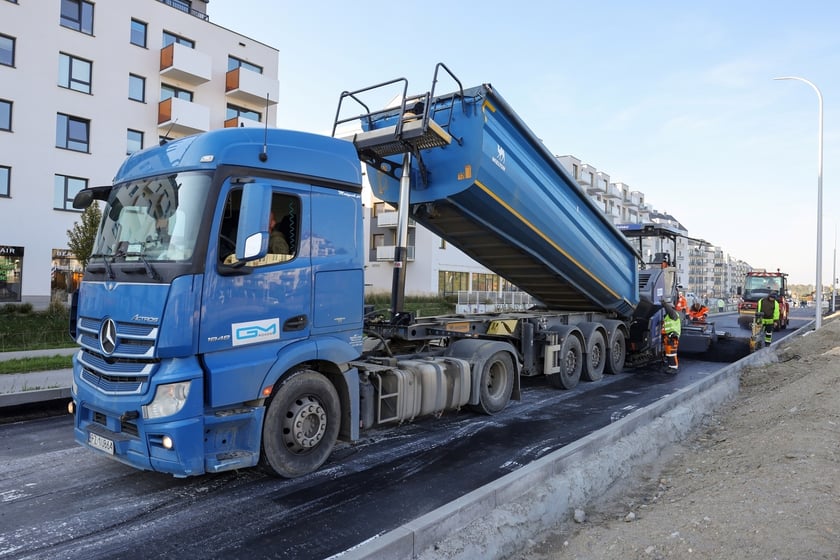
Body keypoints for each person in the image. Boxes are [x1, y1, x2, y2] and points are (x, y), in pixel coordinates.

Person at [661, 298, 681, 372]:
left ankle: (674, 368)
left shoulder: (673, 314)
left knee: (672, 353)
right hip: (669, 337)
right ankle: (671, 367)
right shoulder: (668, 317)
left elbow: (669, 310)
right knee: (669, 353)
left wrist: (664, 304)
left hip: (673, 337)